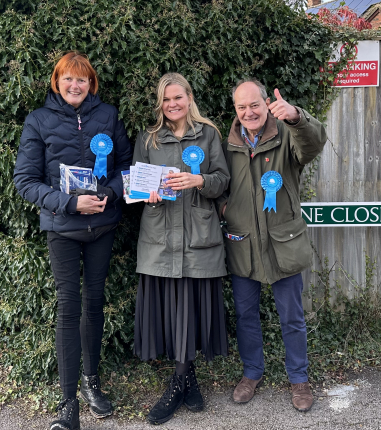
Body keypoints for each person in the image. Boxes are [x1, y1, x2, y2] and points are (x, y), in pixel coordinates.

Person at [14, 52, 132, 430]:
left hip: (102, 226)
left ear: (91, 83)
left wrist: (109, 196)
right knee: (68, 308)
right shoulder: (38, 120)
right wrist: (68, 203)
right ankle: (68, 404)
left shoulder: (108, 116)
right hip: (62, 229)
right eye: (68, 79)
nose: (75, 85)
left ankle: (91, 384)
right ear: (57, 81)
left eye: (81, 79)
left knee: (94, 303)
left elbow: (126, 169)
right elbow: (25, 181)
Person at [219, 78, 326, 412]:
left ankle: (299, 378)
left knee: (291, 316)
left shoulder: (286, 135)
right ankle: (252, 372)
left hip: (283, 244)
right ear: (235, 110)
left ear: (267, 103)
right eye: (242, 106)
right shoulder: (228, 143)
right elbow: (217, 181)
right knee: (245, 315)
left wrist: (296, 117)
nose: (249, 112)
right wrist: (226, 208)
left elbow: (312, 145)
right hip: (243, 244)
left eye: (255, 104)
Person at [133, 72, 230, 425]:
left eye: (178, 97)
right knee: (170, 314)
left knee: (188, 312)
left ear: (189, 97)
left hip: (198, 240)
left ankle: (177, 384)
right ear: (160, 103)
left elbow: (223, 180)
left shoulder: (209, 135)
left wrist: (200, 180)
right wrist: (150, 193)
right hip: (160, 240)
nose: (172, 104)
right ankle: (186, 380)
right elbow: (136, 184)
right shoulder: (149, 139)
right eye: (166, 99)